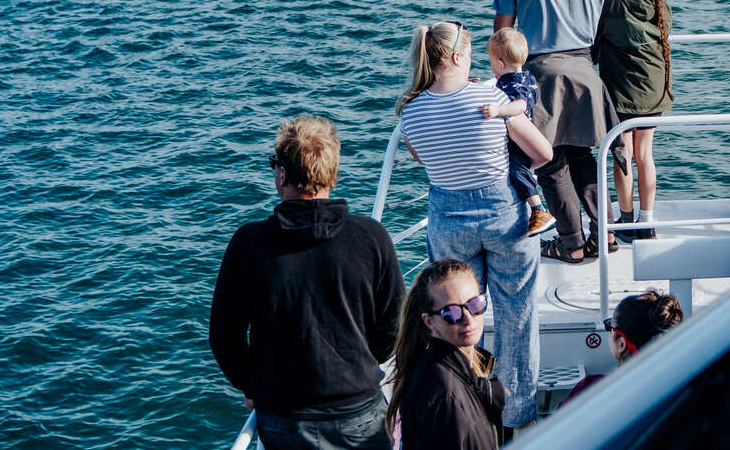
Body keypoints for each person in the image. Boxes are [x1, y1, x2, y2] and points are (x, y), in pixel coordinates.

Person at [210, 117, 404, 450]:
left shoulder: (249, 244)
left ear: (282, 174)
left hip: (284, 417)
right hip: (359, 411)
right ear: (333, 172)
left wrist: (252, 385)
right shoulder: (371, 239)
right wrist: (358, 362)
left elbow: (223, 336)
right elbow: (392, 326)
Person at [397, 22, 553, 431]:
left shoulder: (410, 111)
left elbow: (424, 160)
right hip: (504, 213)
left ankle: (469, 411)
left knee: (459, 320)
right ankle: (517, 419)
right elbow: (543, 152)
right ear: (456, 58)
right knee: (517, 315)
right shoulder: (491, 95)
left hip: (448, 218)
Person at [494, 0, 621, 264]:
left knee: (549, 161)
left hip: (539, 73)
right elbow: (599, 29)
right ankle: (606, 234)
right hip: (584, 71)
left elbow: (503, 33)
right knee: (583, 155)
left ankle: (573, 244)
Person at [594, 0, 673, 241]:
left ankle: (626, 222)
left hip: (624, 89)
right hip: (654, 86)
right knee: (645, 154)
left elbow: (597, 39)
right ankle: (647, 221)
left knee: (621, 154)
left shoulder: (614, 0)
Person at [389, 260, 507, 450]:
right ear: (429, 322)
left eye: (475, 304)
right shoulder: (447, 398)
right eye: (451, 313)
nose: (468, 320)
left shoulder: (450, 370)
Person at [482, 27, 556, 235]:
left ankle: (538, 210)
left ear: (500, 63)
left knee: (515, 169)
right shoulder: (525, 77)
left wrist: (498, 110)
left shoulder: (514, 84)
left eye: (491, 61)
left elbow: (520, 106)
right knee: (518, 170)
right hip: (524, 136)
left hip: (518, 142)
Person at [562, 289, 686, 404]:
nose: (609, 333)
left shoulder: (589, 390)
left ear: (621, 344)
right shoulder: (683, 393)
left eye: (610, 328)